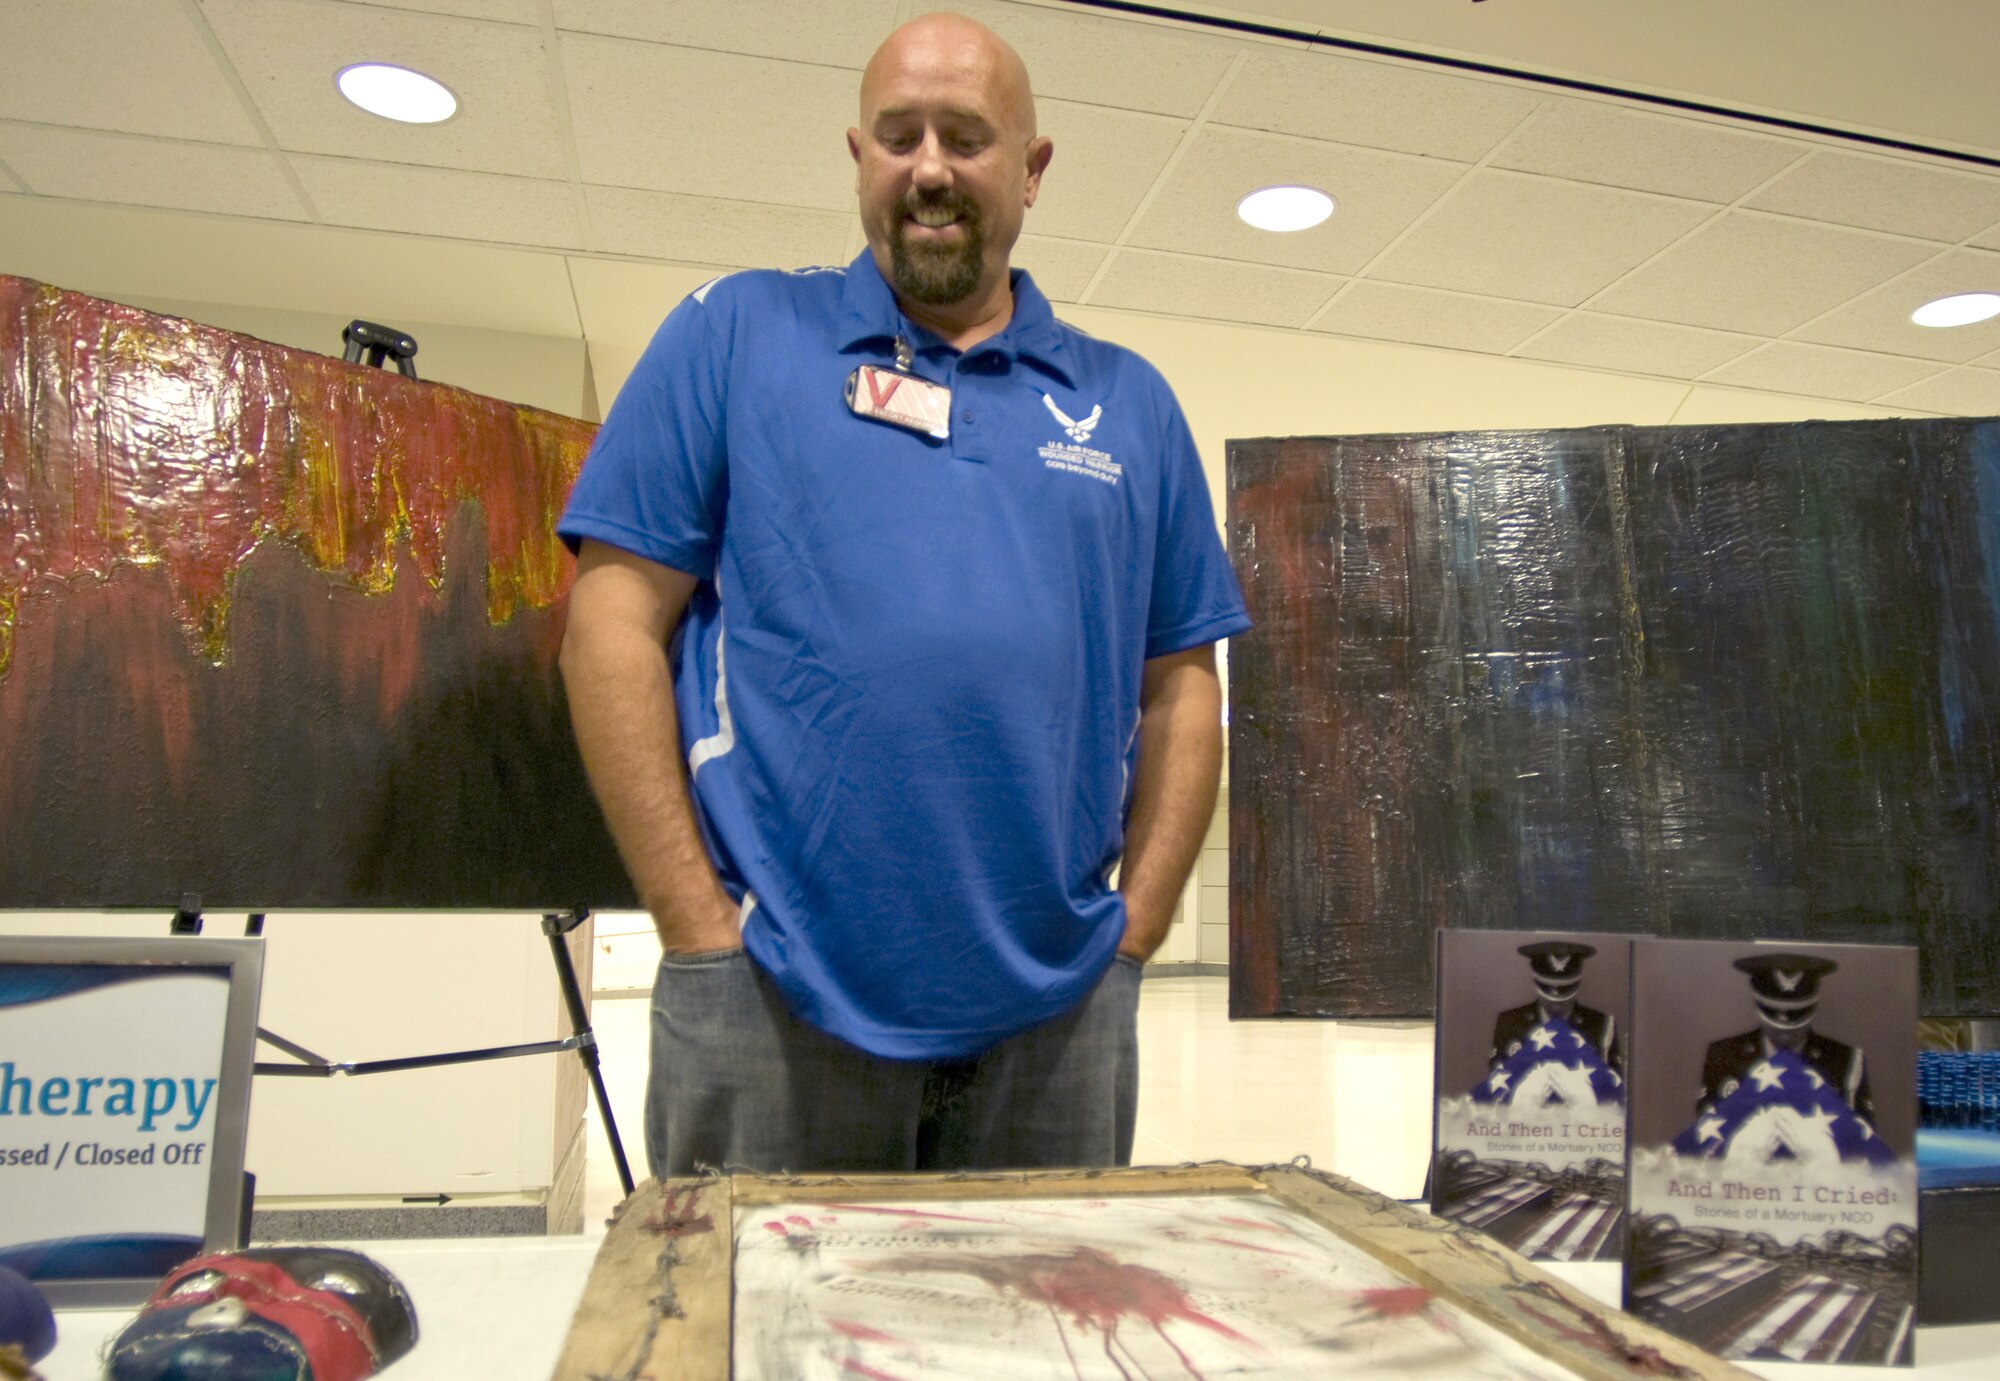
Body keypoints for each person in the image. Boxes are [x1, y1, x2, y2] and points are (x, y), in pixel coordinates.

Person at [556, 12, 1249, 1179]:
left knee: (1031, 1343)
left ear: (1030, 171)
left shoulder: (1128, 405)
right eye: (898, 135)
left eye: (965, 137)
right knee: (746, 1342)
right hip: (769, 993)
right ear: (860, 158)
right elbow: (608, 623)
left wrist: (1135, 934)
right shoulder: (735, 335)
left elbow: (1183, 686)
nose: (929, 166)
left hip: (1058, 1013)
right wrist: (694, 927)